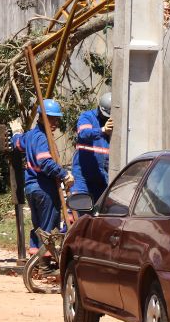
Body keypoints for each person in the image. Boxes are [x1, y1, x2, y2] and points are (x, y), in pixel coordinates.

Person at [23, 99, 74, 257]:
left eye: (56, 119)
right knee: (47, 229)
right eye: (51, 118)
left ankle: (36, 261)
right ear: (42, 117)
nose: (55, 122)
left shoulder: (31, 135)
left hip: (32, 188)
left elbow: (17, 142)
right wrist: (64, 174)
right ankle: (44, 264)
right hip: (44, 189)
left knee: (38, 227)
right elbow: (45, 162)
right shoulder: (43, 138)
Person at [71, 92, 113, 202]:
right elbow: (84, 133)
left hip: (101, 176)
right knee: (81, 206)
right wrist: (102, 130)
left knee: (99, 211)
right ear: (100, 108)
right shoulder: (87, 117)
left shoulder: (113, 122)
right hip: (83, 175)